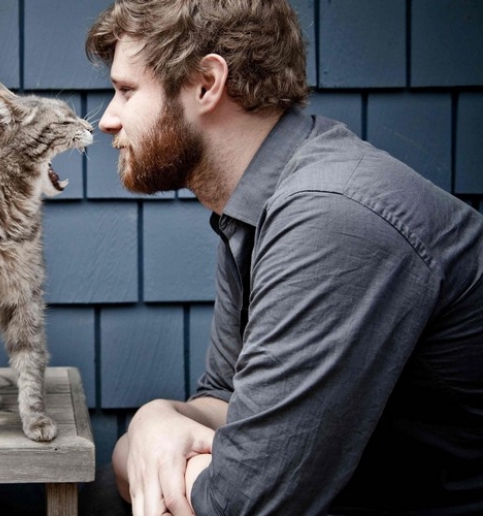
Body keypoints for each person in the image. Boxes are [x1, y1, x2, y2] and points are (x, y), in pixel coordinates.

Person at [81, 1, 483, 515]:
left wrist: (153, 458)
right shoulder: (254, 206)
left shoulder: (330, 218)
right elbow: (225, 401)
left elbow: (240, 504)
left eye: (125, 90)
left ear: (207, 83)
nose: (108, 120)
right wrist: (154, 419)